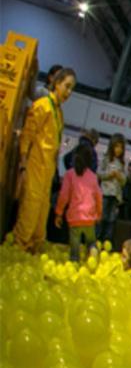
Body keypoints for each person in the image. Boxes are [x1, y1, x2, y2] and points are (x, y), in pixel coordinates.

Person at [12, 68, 74, 252]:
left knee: (41, 212)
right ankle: (18, 248)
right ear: (56, 83)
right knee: (30, 210)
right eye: (67, 86)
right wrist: (23, 166)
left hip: (47, 171)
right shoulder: (42, 106)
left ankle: (33, 249)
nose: (69, 92)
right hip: (35, 166)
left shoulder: (59, 113)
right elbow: (27, 136)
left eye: (72, 89)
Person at [55, 145, 102, 262]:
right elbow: (98, 197)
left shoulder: (69, 174)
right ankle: (92, 250)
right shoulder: (93, 176)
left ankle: (75, 261)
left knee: (74, 250)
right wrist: (99, 213)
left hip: (75, 217)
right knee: (91, 241)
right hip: (89, 217)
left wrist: (59, 213)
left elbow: (64, 195)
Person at [98, 134, 127, 244]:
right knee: (102, 218)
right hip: (105, 194)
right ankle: (98, 240)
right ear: (112, 146)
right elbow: (99, 173)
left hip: (116, 196)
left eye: (121, 147)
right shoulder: (106, 160)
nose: (118, 149)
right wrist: (109, 175)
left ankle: (107, 242)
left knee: (111, 220)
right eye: (116, 146)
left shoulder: (122, 163)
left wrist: (120, 177)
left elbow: (124, 181)